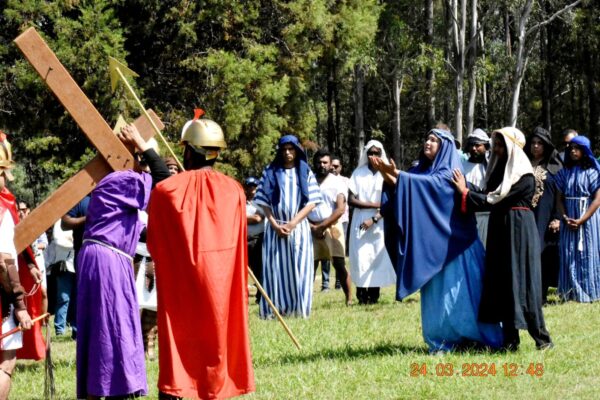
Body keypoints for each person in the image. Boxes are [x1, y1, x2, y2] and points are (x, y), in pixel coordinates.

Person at [147, 112, 255, 399]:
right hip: (222, 286)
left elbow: (156, 239)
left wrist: (147, 151)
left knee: (180, 344)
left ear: (189, 151)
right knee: (216, 340)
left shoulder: (168, 190)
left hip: (183, 287)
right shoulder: (235, 190)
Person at [373, 129, 503, 352]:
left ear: (445, 147)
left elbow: (429, 186)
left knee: (462, 295)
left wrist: (397, 174)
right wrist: (388, 174)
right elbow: (410, 186)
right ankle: (443, 338)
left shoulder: (450, 173)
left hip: (457, 245)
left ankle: (476, 335)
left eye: (434, 140)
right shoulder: (420, 171)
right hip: (434, 251)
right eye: (427, 138)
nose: (428, 142)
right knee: (438, 298)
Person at [76, 126, 170, 399]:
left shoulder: (113, 183)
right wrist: (143, 144)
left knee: (103, 327)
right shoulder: (124, 180)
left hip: (101, 256)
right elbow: (163, 181)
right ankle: (115, 390)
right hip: (107, 259)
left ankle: (103, 389)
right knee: (113, 326)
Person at [452, 127, 553, 351]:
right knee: (503, 281)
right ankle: (510, 340)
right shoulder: (499, 172)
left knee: (522, 281)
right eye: (495, 144)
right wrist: (465, 187)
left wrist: (466, 193)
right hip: (501, 229)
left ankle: (542, 339)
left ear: (512, 147)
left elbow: (493, 199)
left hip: (519, 230)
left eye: (500, 145)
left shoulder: (524, 176)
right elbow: (489, 193)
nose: (496, 149)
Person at [254, 135, 322, 318]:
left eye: (291, 149)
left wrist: (293, 223)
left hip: (298, 228)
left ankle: (299, 310)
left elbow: (312, 201)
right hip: (275, 228)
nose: (287, 153)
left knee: (299, 269)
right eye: (284, 149)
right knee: (275, 269)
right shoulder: (270, 171)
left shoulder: (305, 171)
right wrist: (275, 224)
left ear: (296, 150)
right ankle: (275, 310)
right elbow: (263, 201)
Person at [0, 132, 33, 399]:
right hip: (2, 300)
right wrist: (20, 306)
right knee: (6, 363)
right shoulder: (1, 208)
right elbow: (4, 260)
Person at [348, 140, 395, 305]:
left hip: (381, 219)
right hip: (361, 218)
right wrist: (376, 205)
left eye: (377, 153)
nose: (374, 156)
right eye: (370, 153)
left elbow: (391, 201)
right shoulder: (358, 173)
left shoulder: (387, 174)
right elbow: (351, 200)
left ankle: (374, 296)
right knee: (361, 257)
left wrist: (377, 214)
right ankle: (361, 295)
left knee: (377, 257)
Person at [554, 135, 600, 302]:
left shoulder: (593, 172)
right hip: (569, 217)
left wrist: (582, 219)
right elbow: (558, 198)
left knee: (587, 252)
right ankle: (569, 292)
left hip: (588, 218)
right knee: (569, 252)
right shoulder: (563, 173)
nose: (573, 151)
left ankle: (589, 291)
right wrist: (565, 217)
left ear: (585, 151)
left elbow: (597, 199)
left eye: (577, 148)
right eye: (571, 148)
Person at [308, 149, 352, 305]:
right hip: (311, 227)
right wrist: (312, 226)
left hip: (332, 225)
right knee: (309, 265)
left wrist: (322, 226)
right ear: (314, 163)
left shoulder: (337, 182)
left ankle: (349, 299)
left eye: (325, 162)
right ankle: (305, 300)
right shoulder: (308, 180)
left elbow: (340, 209)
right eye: (319, 162)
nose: (322, 165)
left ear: (330, 164)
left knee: (339, 263)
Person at [524, 127, 563, 303]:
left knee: (543, 253)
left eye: (539, 143)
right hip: (525, 214)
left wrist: (557, 217)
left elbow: (560, 195)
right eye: (533, 143)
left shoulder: (555, 166)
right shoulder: (523, 164)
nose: (535, 146)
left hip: (545, 216)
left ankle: (541, 294)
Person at [45, 220, 75, 336]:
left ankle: (74, 327)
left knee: (77, 297)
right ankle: (59, 329)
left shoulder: (81, 216)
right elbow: (58, 240)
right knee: (63, 297)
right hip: (64, 265)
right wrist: (74, 240)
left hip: (78, 263)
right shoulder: (60, 220)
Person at [461, 129, 491, 245]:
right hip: (465, 216)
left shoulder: (490, 168)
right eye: (472, 145)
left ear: (486, 147)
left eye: (478, 145)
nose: (474, 148)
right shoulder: (461, 166)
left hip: (485, 216)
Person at [329, 155, 349, 290]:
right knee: (325, 254)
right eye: (332, 165)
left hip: (342, 221)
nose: (334, 168)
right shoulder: (324, 181)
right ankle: (325, 283)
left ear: (340, 167)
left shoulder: (346, 181)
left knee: (339, 253)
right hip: (326, 221)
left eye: (336, 166)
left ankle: (339, 282)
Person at [244, 176, 265, 304]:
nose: (251, 189)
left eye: (254, 186)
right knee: (243, 270)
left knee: (259, 269)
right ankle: (243, 296)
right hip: (244, 239)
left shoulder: (261, 202)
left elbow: (258, 218)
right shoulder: (240, 201)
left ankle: (260, 296)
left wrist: (243, 217)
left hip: (258, 239)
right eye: (249, 186)